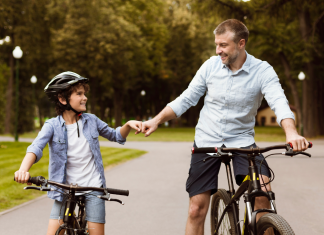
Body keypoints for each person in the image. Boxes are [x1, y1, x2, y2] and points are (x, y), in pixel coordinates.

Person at [141, 19, 309, 235]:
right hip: (206, 142)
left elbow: (279, 102)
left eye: (223, 45)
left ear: (241, 43)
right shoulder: (210, 66)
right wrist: (155, 120)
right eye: (216, 45)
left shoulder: (262, 70)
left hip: (243, 142)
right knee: (196, 209)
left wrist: (291, 132)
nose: (218, 50)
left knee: (263, 195)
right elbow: (186, 99)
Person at [14, 71, 142, 235]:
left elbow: (116, 135)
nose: (85, 97)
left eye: (84, 93)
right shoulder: (52, 125)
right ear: (62, 99)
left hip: (93, 187)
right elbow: (35, 147)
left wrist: (129, 125)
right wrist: (23, 170)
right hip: (64, 190)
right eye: (79, 94)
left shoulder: (92, 121)